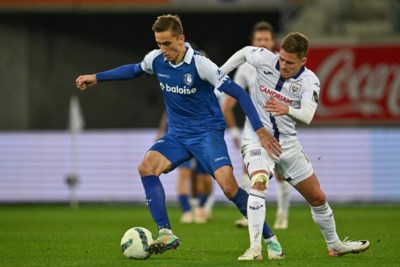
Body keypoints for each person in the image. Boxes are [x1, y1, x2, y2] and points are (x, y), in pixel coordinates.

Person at [75, 14, 284, 260]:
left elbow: (240, 93)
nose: (163, 50)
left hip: (207, 134)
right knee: (146, 167)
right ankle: (165, 232)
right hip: (177, 134)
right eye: (159, 43)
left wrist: (260, 130)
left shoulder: (201, 64)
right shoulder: (156, 60)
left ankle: (270, 239)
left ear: (181, 40)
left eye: (167, 44)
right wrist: (96, 78)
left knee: (229, 188)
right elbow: (132, 70)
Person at [221, 32, 370, 259]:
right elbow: (243, 52)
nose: (283, 65)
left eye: (289, 62)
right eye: (281, 59)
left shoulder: (310, 81)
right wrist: (221, 72)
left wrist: (286, 109)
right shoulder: (264, 58)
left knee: (318, 198)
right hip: (257, 138)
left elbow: (308, 116)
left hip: (287, 144)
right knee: (259, 181)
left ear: (303, 61)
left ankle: (335, 245)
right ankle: (254, 248)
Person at [222, 21, 291, 230]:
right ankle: (250, 214)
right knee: (250, 171)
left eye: (266, 39)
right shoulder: (244, 67)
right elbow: (227, 104)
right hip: (254, 127)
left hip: (279, 126)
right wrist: (234, 131)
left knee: (280, 172)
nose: (262, 43)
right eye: (258, 40)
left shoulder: (284, 65)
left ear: (273, 42)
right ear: (252, 42)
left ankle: (282, 215)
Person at [156, 111, 213, 224]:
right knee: (184, 174)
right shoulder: (177, 95)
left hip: (201, 138)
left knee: (205, 178)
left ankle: (201, 206)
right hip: (181, 137)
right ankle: (186, 211)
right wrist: (161, 132)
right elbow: (168, 109)